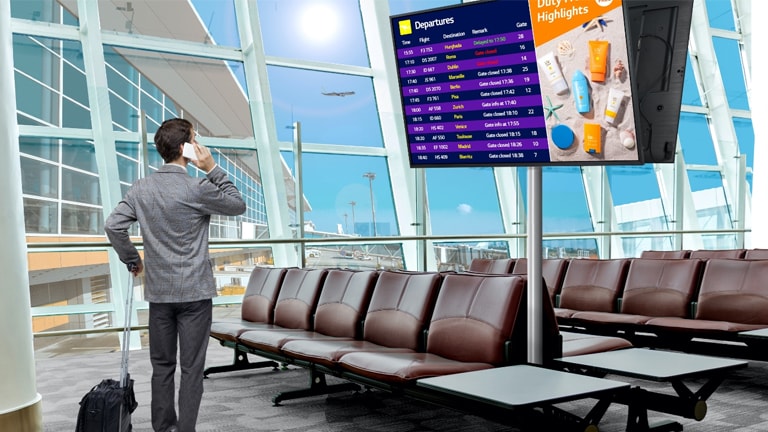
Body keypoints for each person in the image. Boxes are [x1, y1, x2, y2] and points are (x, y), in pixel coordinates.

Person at [105, 118, 246, 432]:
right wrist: (211, 167)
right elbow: (238, 204)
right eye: (195, 140)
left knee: (162, 367)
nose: (199, 146)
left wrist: (133, 260)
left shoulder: (141, 188)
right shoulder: (198, 187)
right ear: (186, 148)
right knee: (192, 369)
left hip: (160, 295)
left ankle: (164, 428)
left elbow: (113, 226)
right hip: (195, 295)